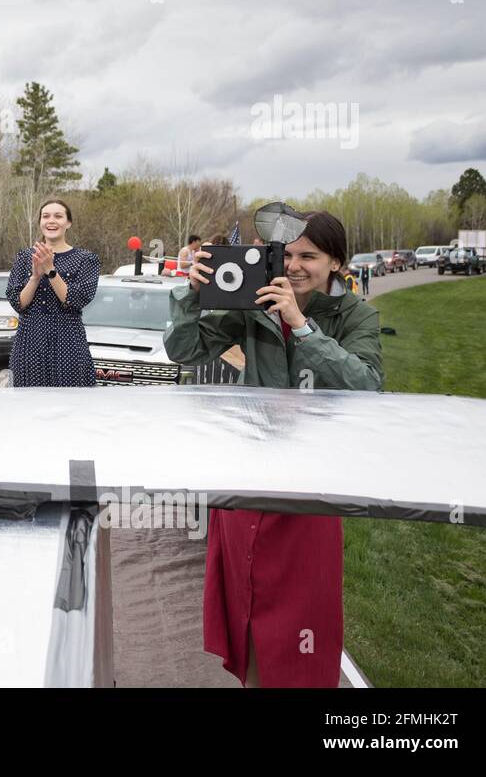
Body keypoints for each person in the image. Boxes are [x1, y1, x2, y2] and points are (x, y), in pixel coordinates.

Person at [163, 210, 382, 688]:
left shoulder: (355, 315)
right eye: (287, 255)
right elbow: (183, 351)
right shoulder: (251, 303)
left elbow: (368, 385)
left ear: (336, 263)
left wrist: (301, 325)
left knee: (300, 620)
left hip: (310, 491)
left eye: (310, 256)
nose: (296, 265)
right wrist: (190, 294)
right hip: (251, 478)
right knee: (245, 612)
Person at [4, 198, 100, 386]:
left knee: (70, 402)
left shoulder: (86, 259)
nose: (51, 221)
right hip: (30, 340)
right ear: (40, 222)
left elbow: (75, 300)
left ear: (68, 223)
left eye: (58, 216)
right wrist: (35, 277)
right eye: (46, 216)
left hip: (68, 339)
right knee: (28, 402)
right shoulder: (25, 257)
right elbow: (18, 303)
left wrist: (51, 270)